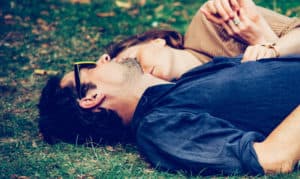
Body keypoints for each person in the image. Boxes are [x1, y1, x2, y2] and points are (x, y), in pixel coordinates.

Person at [39, 55, 300, 176]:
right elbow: (272, 159)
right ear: (90, 98)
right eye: (88, 67)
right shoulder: (158, 127)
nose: (103, 58)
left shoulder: (183, 82)